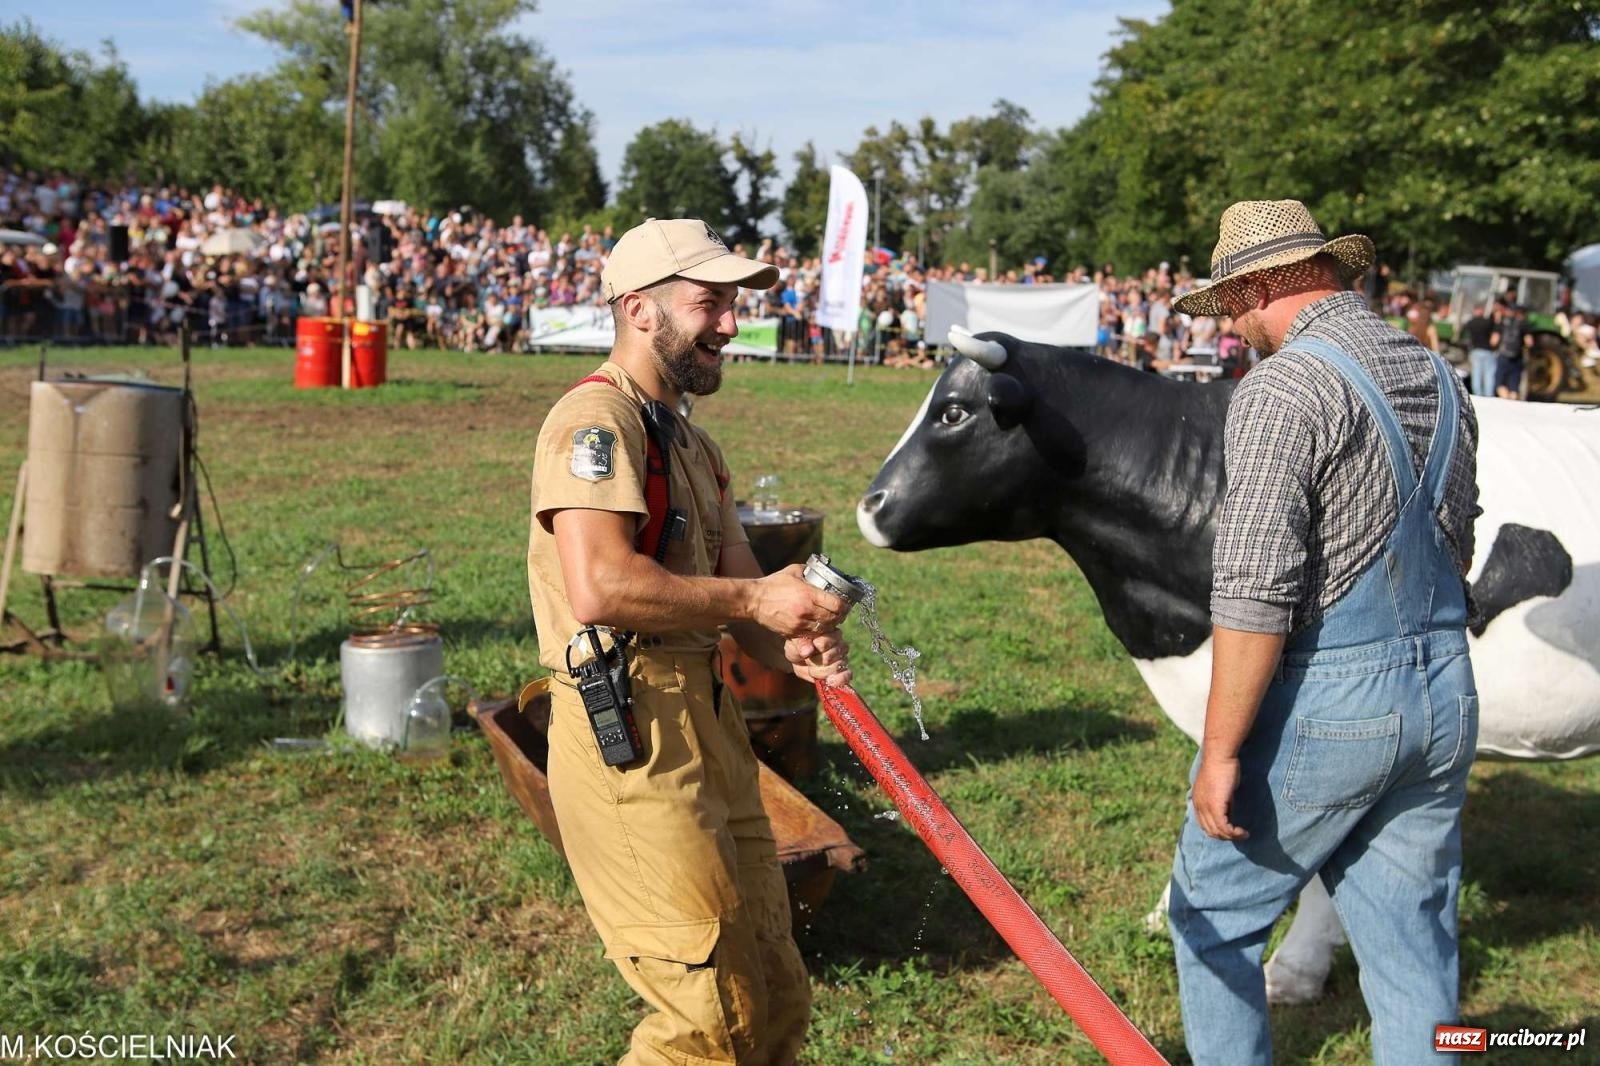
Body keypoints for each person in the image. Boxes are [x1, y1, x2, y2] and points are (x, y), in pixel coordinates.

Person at [525, 217, 854, 1065]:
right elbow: (601, 584)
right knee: (709, 1020)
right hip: (631, 740)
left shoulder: (696, 447)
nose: (730, 326)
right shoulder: (595, 424)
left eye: (731, 306)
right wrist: (755, 594)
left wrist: (795, 643)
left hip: (709, 728)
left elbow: (746, 599)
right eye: (709, 304)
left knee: (774, 991)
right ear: (639, 310)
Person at [1168, 200, 1480, 1066]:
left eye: (1231, 301)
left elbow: (1255, 592)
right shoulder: (1440, 374)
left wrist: (1222, 750)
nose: (1230, 324)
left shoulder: (1284, 387)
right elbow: (1462, 538)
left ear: (1266, 283)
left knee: (1210, 921)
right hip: (1448, 691)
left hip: (1334, 699)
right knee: (1415, 949)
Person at [1461, 302, 1497, 397]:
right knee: (1489, 374)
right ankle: (1488, 394)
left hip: (1475, 350)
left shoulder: (1470, 323)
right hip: (1487, 350)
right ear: (1482, 311)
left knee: (1476, 373)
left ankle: (1478, 393)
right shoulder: (1488, 322)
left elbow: (1463, 334)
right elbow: (1495, 334)